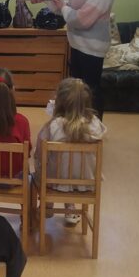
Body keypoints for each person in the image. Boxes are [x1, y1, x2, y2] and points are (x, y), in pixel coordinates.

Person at [51, 0, 121, 119]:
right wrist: (51, 1)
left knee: (90, 90)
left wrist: (63, 7)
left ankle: (93, 127)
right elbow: (71, 6)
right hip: (77, 43)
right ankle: (77, 124)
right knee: (77, 89)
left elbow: (82, 19)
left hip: (91, 47)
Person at [34, 78, 106, 226]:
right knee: (73, 168)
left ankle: (47, 204)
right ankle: (70, 208)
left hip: (54, 182)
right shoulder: (95, 124)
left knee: (43, 166)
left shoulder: (53, 125)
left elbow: (39, 154)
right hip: (87, 183)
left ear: (59, 101)